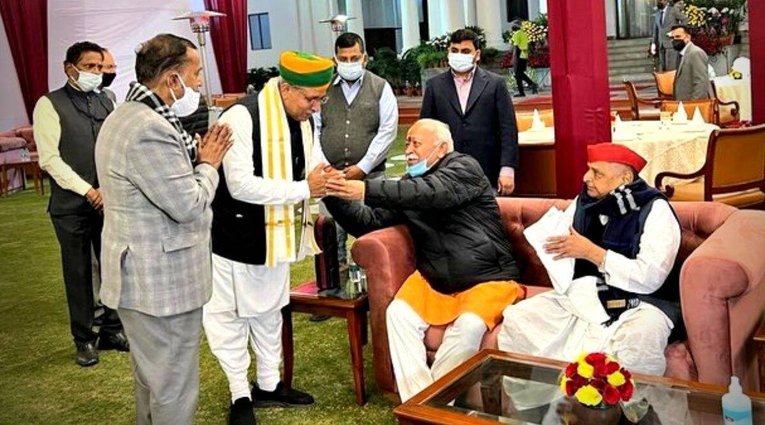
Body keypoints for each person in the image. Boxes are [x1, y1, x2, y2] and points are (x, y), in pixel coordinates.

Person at [324, 119, 524, 402]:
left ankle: (428, 404)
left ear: (441, 148)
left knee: (469, 327)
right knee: (398, 314)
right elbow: (367, 223)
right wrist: (332, 192)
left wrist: (365, 190)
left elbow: (433, 192)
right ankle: (421, 403)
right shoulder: (409, 186)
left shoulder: (464, 168)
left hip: (486, 278)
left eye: (416, 143)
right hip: (435, 281)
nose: (407, 150)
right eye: (407, 142)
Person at [95, 33, 233, 424]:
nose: (199, 83)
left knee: (152, 381)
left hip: (140, 277)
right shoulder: (148, 128)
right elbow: (188, 205)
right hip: (160, 285)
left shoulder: (127, 115)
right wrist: (209, 164)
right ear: (172, 79)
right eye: (196, 74)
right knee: (173, 388)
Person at [204, 50, 333, 425]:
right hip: (233, 237)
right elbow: (240, 185)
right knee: (228, 318)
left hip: (277, 237)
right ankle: (239, 394)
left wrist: (326, 175)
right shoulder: (241, 117)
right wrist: (305, 188)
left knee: (270, 312)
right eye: (311, 99)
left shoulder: (304, 117)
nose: (316, 107)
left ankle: (268, 384)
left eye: (321, 99)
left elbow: (312, 161)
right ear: (286, 87)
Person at [498, 143, 681, 381]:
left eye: (597, 173)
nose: (586, 178)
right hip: (588, 293)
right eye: (588, 169)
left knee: (637, 344)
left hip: (645, 303)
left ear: (625, 178)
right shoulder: (584, 202)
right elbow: (563, 244)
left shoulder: (655, 209)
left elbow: (651, 276)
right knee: (520, 318)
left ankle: (623, 403)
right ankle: (553, 398)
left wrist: (593, 253)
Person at [32, 41, 127, 367]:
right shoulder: (49, 104)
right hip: (71, 205)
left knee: (112, 266)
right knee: (79, 272)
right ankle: (84, 338)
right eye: (89, 67)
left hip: (108, 200)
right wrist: (88, 190)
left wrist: (108, 188)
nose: (96, 73)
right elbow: (49, 159)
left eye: (100, 67)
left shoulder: (106, 100)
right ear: (69, 68)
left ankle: (112, 329)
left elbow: (114, 146)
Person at [314, 32, 398, 269]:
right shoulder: (323, 89)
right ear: (335, 59)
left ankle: (373, 282)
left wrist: (363, 167)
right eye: (343, 59)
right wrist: (326, 168)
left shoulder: (380, 87)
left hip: (371, 178)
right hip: (331, 179)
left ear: (365, 58)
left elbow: (388, 130)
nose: (349, 63)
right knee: (330, 242)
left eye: (354, 58)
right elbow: (314, 129)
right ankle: (336, 283)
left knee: (372, 238)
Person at [420, 28, 519, 196]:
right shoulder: (434, 86)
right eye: (454, 50)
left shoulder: (495, 84)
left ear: (477, 54)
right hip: (445, 174)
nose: (459, 55)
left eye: (465, 51)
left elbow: (508, 129)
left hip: (487, 172)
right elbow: (424, 130)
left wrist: (507, 169)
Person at [671, 25, 710, 101]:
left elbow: (701, 82)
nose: (675, 40)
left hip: (693, 104)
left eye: (678, 36)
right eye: (673, 38)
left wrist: (694, 104)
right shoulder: (681, 54)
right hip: (682, 103)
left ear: (688, 37)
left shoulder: (695, 53)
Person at [651, 0, 686, 71]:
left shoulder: (673, 10)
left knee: (671, 69)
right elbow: (656, 30)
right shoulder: (657, 14)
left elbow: (685, 19)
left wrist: (676, 32)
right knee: (662, 69)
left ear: (666, 1)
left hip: (671, 44)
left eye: (660, 0)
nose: (658, 2)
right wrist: (653, 43)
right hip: (661, 45)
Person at [509, 21, 538, 97]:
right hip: (524, 55)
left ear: (516, 26)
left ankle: (524, 90)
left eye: (513, 25)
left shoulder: (517, 34)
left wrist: (513, 58)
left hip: (519, 55)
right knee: (519, 74)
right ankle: (531, 85)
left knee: (518, 74)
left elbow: (516, 47)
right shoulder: (523, 33)